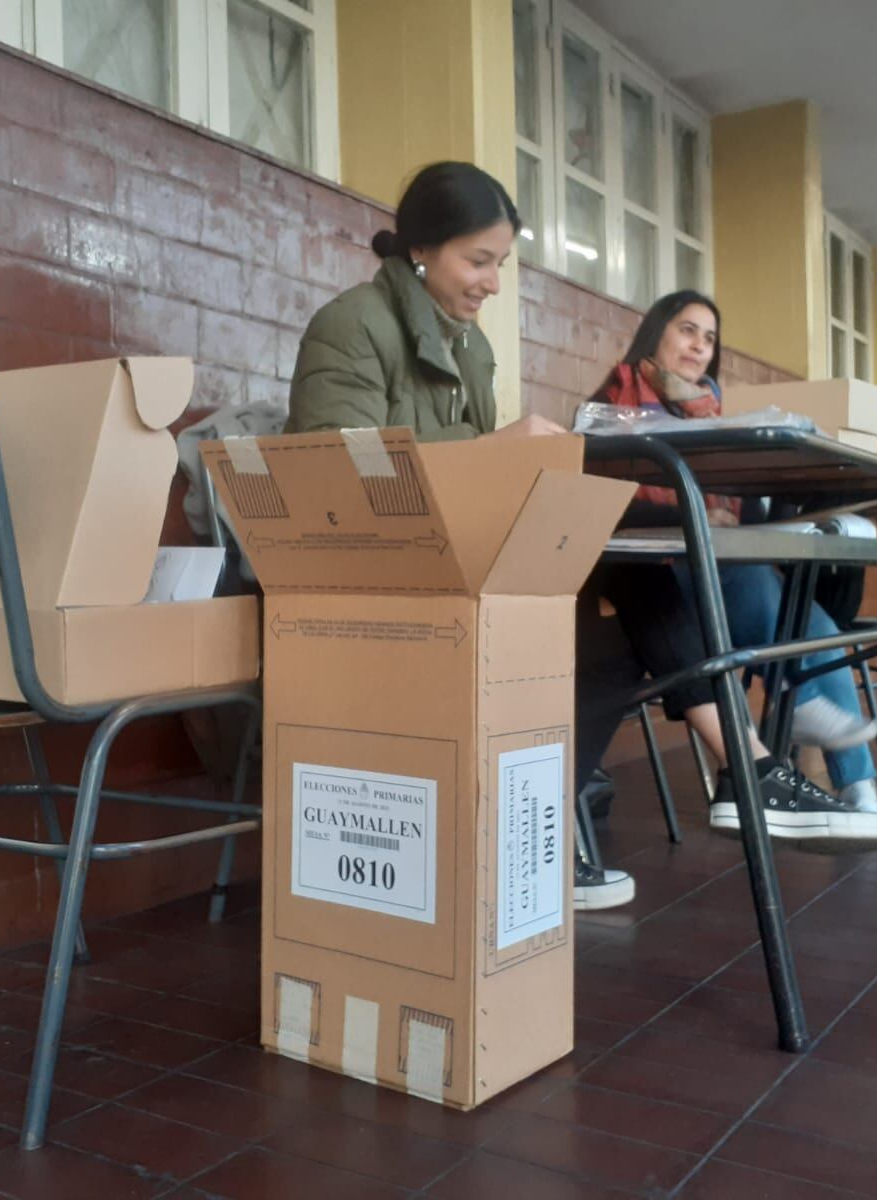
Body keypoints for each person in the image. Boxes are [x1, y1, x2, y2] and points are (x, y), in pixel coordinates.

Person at [285, 160, 635, 911]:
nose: (492, 283)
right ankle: (523, 832)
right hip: (361, 581)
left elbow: (476, 480)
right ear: (421, 248)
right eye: (479, 260)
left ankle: (536, 817)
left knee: (620, 615)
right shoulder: (351, 325)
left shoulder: (471, 348)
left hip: (447, 566)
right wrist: (497, 449)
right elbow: (329, 478)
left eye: (499, 264)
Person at [578, 290, 877, 852]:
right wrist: (690, 511)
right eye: (687, 330)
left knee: (794, 599)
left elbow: (743, 510)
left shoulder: (712, 415)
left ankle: (860, 790)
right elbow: (599, 502)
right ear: (655, 335)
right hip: (647, 582)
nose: (699, 346)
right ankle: (803, 707)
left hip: (713, 574)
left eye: (709, 338)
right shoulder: (611, 402)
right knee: (756, 583)